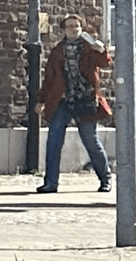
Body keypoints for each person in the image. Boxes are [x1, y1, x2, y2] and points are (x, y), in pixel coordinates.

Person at [35, 13, 112, 194]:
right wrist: (41, 100)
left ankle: (105, 178)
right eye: (69, 26)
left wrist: (102, 50)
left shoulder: (89, 48)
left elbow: (105, 63)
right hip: (62, 100)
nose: (73, 29)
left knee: (90, 140)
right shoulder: (58, 51)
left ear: (81, 28)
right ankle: (51, 182)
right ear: (63, 29)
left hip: (84, 99)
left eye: (76, 26)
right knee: (54, 141)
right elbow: (49, 78)